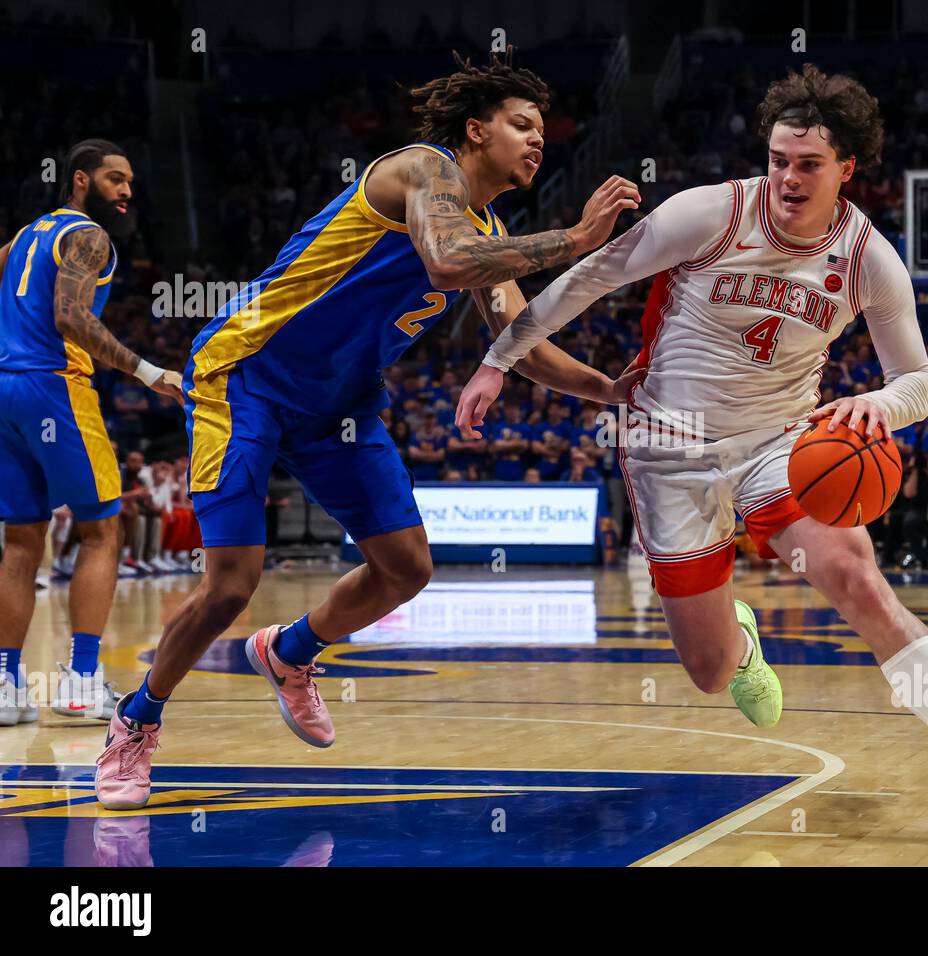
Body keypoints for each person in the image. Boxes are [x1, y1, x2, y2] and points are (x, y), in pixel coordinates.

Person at [457, 64, 928, 846]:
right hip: (668, 449)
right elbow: (589, 277)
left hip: (783, 441)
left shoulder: (868, 259)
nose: (788, 176)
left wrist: (874, 406)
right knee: (709, 671)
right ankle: (740, 639)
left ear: (847, 168)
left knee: (856, 576)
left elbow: (918, 382)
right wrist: (498, 361)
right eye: (779, 159)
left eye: (809, 164)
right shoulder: (709, 213)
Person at [93, 53, 643, 810]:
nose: (538, 140)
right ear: (476, 130)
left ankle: (289, 653)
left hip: (340, 405)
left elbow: (519, 339)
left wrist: (608, 388)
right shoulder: (422, 170)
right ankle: (135, 720)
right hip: (245, 375)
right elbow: (448, 263)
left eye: (542, 129)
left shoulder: (486, 227)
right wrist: (578, 239)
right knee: (231, 585)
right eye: (522, 125)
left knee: (406, 567)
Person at [0, 140, 183, 728]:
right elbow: (71, 319)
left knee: (21, 541)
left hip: (5, 388)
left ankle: (5, 686)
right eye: (114, 179)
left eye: (130, 181)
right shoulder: (87, 235)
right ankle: (80, 680)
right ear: (80, 181)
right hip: (54, 386)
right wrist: (151, 373)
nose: (127, 191)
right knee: (103, 528)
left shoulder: (28, 236)